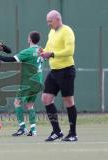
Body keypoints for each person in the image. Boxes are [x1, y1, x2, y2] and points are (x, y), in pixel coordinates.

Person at [0, 31, 43, 136]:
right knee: (30, 105)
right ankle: (33, 130)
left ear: (29, 39)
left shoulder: (28, 51)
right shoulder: (40, 50)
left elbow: (12, 59)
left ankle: (22, 128)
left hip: (28, 82)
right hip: (38, 81)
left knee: (17, 102)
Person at [40, 10, 78, 142]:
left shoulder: (67, 31)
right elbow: (48, 48)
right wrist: (42, 52)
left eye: (50, 21)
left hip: (66, 71)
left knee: (68, 101)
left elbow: (69, 51)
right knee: (46, 99)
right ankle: (57, 131)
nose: (48, 24)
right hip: (54, 71)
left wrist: (51, 54)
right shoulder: (52, 32)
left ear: (57, 19)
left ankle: (73, 133)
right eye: (47, 21)